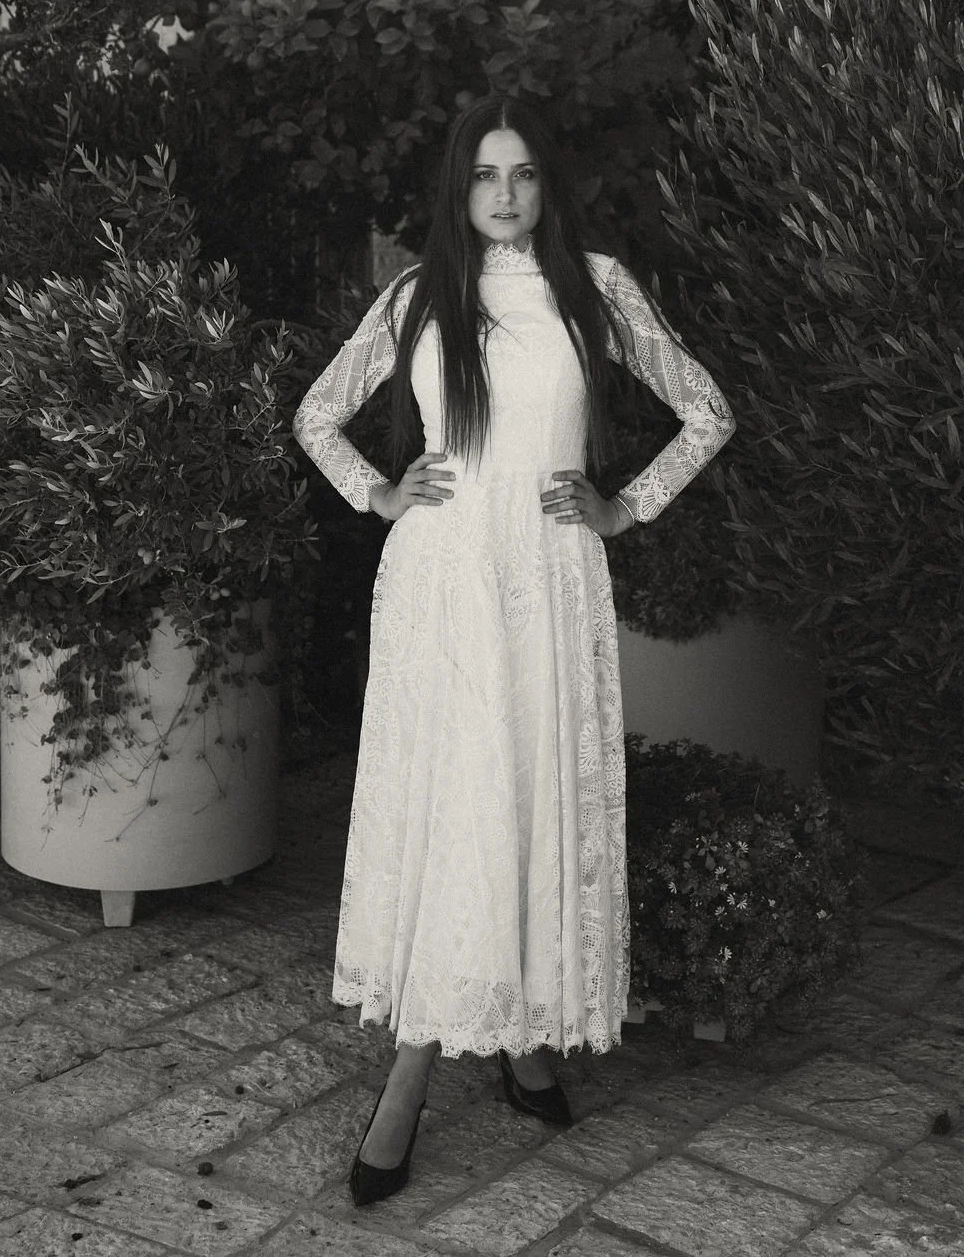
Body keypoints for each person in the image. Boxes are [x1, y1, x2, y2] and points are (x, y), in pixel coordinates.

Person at [292, 95, 736, 1207]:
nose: (503, 193)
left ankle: (519, 1032)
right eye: (485, 175)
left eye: (523, 174)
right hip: (441, 585)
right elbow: (316, 415)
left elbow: (706, 408)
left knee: (528, 801)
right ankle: (411, 1074)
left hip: (546, 582)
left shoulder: (592, 287)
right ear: (457, 187)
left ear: (546, 184)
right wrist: (382, 491)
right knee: (455, 810)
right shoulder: (416, 296)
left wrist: (626, 507)